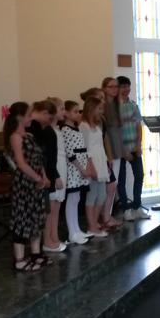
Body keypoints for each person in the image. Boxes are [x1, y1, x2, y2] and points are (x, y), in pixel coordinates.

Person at [5, 102, 51, 270]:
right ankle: (19, 259)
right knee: (22, 218)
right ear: (19, 117)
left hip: (36, 182)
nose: (31, 118)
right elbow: (21, 163)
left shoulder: (29, 136)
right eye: (29, 115)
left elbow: (38, 159)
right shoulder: (15, 137)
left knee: (36, 217)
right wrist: (37, 178)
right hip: (24, 183)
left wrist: (44, 176)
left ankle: (35, 253)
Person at [117, 76, 150, 220]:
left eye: (128, 86)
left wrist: (138, 145)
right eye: (123, 86)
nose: (126, 89)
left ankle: (137, 207)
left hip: (134, 147)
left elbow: (138, 126)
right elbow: (114, 131)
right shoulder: (113, 107)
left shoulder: (133, 105)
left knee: (139, 175)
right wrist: (123, 150)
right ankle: (125, 209)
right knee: (121, 180)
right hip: (120, 149)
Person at [38, 98, 68, 253]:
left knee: (57, 206)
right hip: (53, 169)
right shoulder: (48, 131)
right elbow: (49, 157)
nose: (64, 112)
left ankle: (54, 237)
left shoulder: (58, 129)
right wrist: (54, 176)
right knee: (50, 208)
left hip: (61, 167)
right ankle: (47, 240)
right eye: (61, 108)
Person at [60, 100, 92, 245]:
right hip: (74, 168)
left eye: (79, 111)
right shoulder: (65, 130)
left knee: (77, 199)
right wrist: (82, 168)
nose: (78, 114)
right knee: (72, 199)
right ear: (66, 113)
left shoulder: (76, 128)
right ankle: (72, 232)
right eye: (75, 111)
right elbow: (70, 153)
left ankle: (77, 229)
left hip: (81, 167)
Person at [80, 92, 110, 238]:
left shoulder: (97, 126)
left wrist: (106, 163)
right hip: (92, 163)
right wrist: (91, 167)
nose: (101, 111)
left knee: (102, 195)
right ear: (91, 109)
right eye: (99, 109)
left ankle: (94, 222)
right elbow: (86, 149)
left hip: (100, 161)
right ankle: (91, 226)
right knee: (92, 195)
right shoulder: (84, 126)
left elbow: (100, 145)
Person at [100, 77, 125, 226]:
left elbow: (119, 130)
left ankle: (107, 215)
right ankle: (105, 216)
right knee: (108, 185)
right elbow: (104, 133)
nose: (115, 89)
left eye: (116, 86)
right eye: (111, 87)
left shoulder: (117, 105)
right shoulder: (102, 106)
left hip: (117, 147)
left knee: (113, 185)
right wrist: (108, 153)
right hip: (107, 149)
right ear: (104, 88)